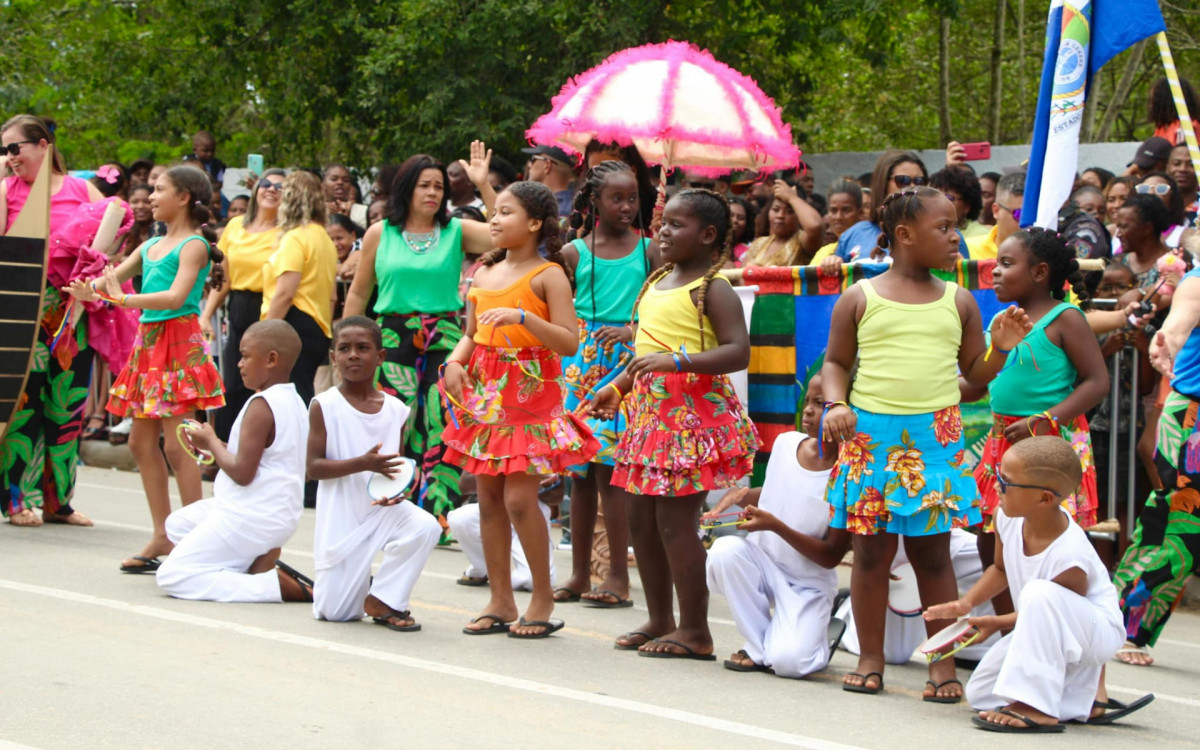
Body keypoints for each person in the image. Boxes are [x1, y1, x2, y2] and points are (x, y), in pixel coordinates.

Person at [821, 186, 1032, 700]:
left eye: (957, 225)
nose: (956, 236)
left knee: (933, 559)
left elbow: (975, 378)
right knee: (870, 558)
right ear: (904, 235)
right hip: (871, 441)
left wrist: (1000, 350)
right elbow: (835, 364)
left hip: (935, 445)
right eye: (944, 227)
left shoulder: (958, 301)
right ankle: (870, 656)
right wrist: (835, 404)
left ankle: (942, 664)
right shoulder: (860, 297)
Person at [590, 189, 759, 658]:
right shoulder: (658, 280)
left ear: (707, 235)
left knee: (675, 523)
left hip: (689, 420)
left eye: (676, 225)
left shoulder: (713, 288)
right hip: (648, 417)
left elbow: (737, 351)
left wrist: (679, 360)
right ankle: (660, 617)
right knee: (639, 518)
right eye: (663, 222)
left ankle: (696, 630)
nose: (663, 231)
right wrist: (618, 385)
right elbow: (645, 349)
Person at [443, 181, 598, 638]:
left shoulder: (548, 274)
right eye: (494, 213)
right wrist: (455, 360)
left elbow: (569, 341)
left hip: (531, 391)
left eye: (505, 213)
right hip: (488, 391)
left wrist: (525, 319)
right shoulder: (482, 273)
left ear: (533, 224)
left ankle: (543, 598)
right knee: (487, 497)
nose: (494, 220)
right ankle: (501, 599)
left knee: (518, 497)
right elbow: (472, 333)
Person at [65, 166, 225, 570]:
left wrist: (121, 301)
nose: (150, 197)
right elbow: (111, 280)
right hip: (150, 345)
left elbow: (174, 298)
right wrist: (84, 289)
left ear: (184, 197)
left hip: (178, 342)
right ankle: (164, 535)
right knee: (140, 443)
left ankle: (194, 537)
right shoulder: (153, 243)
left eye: (159, 190)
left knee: (177, 444)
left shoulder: (194, 245)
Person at [343, 144, 497, 528]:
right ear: (407, 189)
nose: (433, 193)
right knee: (392, 421)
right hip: (391, 336)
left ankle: (434, 514)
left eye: (439, 187)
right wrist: (345, 344)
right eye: (424, 186)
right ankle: (386, 508)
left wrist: (484, 187)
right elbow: (360, 292)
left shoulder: (455, 230)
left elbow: (502, 233)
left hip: (444, 336)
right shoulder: (381, 233)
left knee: (440, 421)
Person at [926, 436, 1125, 732]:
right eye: (997, 475)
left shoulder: (1070, 555)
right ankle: (1081, 702)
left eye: (1005, 483)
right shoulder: (1007, 517)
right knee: (982, 693)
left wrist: (996, 622)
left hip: (1093, 635)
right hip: (1047, 627)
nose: (995, 486)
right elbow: (1001, 568)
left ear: (1044, 498)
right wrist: (966, 604)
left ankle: (1038, 708)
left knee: (1040, 593)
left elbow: (1059, 616)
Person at [968, 228, 1109, 616]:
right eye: (996, 263)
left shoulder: (1066, 318)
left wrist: (1045, 421)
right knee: (991, 536)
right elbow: (979, 379)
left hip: (1049, 440)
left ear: (1040, 271)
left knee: (1049, 535)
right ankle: (1009, 628)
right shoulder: (1002, 320)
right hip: (1003, 439)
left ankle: (1055, 621)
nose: (995, 272)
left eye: (1007, 264)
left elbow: (1098, 382)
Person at [556, 161, 658, 607]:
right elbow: (557, 312)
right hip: (580, 369)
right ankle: (579, 574)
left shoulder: (650, 251)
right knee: (578, 476)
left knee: (612, 474)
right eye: (617, 198)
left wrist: (632, 332)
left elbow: (663, 311)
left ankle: (617, 575)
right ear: (594, 201)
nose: (627, 206)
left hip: (626, 371)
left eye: (633, 197)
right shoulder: (574, 252)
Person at [154, 320, 312, 603]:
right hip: (273, 513)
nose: (239, 363)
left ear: (271, 359)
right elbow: (263, 457)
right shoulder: (293, 400)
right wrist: (218, 447)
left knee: (172, 575)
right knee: (177, 524)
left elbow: (242, 473)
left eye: (245, 355)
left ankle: (272, 585)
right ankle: (257, 561)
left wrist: (212, 441)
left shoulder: (261, 406)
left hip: (251, 516)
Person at [703, 374, 848, 677]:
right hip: (763, 565)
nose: (808, 410)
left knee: (790, 664)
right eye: (807, 401)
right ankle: (756, 646)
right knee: (724, 551)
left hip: (807, 584)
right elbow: (781, 492)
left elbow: (831, 555)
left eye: (820, 404)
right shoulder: (786, 444)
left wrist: (774, 525)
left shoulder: (848, 474)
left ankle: (815, 640)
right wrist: (741, 496)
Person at [0, 115, 106, 527]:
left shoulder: (82, 189)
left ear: (43, 145)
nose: (9, 158)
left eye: (14, 148)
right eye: (4, 151)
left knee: (67, 405)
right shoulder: (7, 190)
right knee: (22, 405)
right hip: (21, 311)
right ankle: (15, 499)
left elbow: (112, 235)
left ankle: (57, 501)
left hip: (70, 310)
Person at [307, 316, 441, 629]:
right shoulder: (324, 405)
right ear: (333, 357)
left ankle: (384, 599)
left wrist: (400, 492)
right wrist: (362, 463)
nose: (353, 354)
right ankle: (356, 589)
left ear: (380, 356)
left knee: (425, 526)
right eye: (345, 348)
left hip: (381, 513)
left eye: (363, 348)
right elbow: (313, 468)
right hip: (343, 520)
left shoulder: (396, 409)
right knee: (337, 614)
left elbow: (399, 469)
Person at [1114, 263, 1200, 666]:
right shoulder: (1198, 279)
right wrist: (1168, 341)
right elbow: (1181, 320)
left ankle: (1113, 620)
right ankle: (1126, 628)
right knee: (1181, 530)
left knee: (1164, 522)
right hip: (1193, 421)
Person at [201, 169, 285, 440]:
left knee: (264, 385)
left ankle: (259, 449)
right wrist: (206, 316)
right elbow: (222, 277)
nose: (271, 190)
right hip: (238, 307)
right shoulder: (236, 226)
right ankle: (224, 448)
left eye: (279, 187)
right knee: (234, 383)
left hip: (270, 307)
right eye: (266, 184)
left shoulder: (289, 232)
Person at [261, 170, 338, 406]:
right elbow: (333, 296)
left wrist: (263, 335)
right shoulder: (324, 238)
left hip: (294, 323)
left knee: (289, 399)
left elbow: (285, 293)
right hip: (318, 326)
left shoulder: (295, 238)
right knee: (302, 394)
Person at [832, 151, 929, 266]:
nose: (912, 187)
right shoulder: (853, 234)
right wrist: (831, 262)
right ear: (883, 183)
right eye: (903, 180)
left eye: (919, 181)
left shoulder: (942, 232)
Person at [446, 498, 555, 591]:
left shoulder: (538, 471)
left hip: (528, 514)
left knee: (530, 580)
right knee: (462, 517)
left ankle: (503, 581)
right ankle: (482, 569)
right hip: (497, 506)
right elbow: (464, 484)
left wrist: (538, 485)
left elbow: (556, 498)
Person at [742, 180, 823, 268]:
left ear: (799, 215)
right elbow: (741, 275)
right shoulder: (759, 244)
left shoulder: (802, 242)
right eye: (776, 209)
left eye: (790, 211)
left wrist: (792, 198)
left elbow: (815, 226)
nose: (780, 215)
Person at [967, 171, 1025, 260]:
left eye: (1034, 216)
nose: (1027, 223)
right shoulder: (968, 250)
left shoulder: (1045, 256)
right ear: (996, 211)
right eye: (1019, 214)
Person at [812, 181, 864, 268]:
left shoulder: (868, 248)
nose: (838, 217)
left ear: (860, 213)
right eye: (833, 210)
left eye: (846, 210)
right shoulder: (823, 252)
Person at [929, 166, 985, 246]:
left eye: (947, 198)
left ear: (967, 206)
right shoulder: (928, 231)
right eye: (933, 197)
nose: (937, 204)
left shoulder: (980, 236)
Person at [522, 144, 575, 218]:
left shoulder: (558, 210)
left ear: (547, 165)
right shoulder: (571, 204)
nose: (530, 165)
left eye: (533, 159)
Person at [1149, 76, 1200, 147]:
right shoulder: (1161, 129)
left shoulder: (1185, 128)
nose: (1151, 105)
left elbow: (1183, 154)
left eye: (1154, 100)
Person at [182, 130, 225, 195]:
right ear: (195, 150)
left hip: (212, 192)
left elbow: (220, 183)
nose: (209, 154)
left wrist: (209, 188)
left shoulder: (217, 165)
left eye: (212, 151)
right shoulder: (189, 161)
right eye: (205, 151)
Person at [1168, 144, 1198, 226]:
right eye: (1176, 164)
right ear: (1167, 167)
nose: (1183, 169)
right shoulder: (1157, 207)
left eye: (1191, 165)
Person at [728, 195, 757, 265]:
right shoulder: (711, 246)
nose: (735, 220)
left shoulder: (752, 249)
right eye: (731, 215)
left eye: (741, 218)